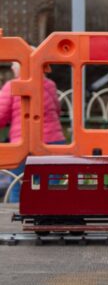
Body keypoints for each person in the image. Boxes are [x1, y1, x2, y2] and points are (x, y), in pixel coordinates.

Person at [0, 62, 66, 202]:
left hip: (23, 144)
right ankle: (54, 215)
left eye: (15, 64)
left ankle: (16, 216)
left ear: (24, 65)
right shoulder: (50, 85)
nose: (11, 67)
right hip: (53, 142)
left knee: (18, 185)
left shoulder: (11, 86)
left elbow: (1, 116)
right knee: (53, 184)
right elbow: (57, 110)